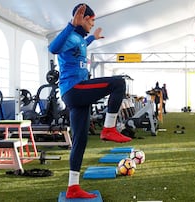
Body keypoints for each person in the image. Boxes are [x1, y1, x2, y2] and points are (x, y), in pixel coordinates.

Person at [48, 4, 132, 199]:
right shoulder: (71, 36)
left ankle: (73, 186)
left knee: (80, 141)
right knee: (118, 83)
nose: (93, 23)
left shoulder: (81, 40)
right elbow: (53, 48)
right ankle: (109, 128)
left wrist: (93, 37)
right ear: (83, 19)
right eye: (92, 20)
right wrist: (70, 25)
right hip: (74, 89)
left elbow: (81, 45)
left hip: (76, 94)